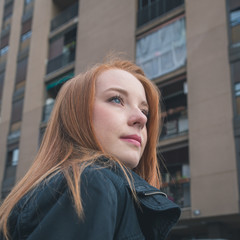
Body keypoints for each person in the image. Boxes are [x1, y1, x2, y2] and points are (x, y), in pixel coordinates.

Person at [0, 58, 180, 240]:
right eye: (117, 99)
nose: (141, 119)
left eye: (145, 111)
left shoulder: (95, 185)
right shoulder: (88, 182)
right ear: (77, 115)